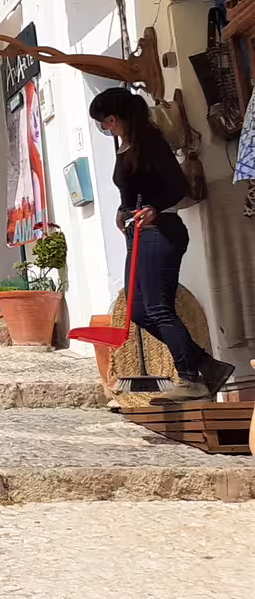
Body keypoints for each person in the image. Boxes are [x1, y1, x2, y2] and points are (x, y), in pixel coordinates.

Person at [90, 87, 235, 401]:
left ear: (113, 118)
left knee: (158, 308)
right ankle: (207, 366)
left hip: (161, 230)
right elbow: (132, 186)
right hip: (137, 234)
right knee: (139, 309)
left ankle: (190, 378)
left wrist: (153, 208)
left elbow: (177, 186)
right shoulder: (126, 145)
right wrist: (122, 209)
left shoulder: (151, 142)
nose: (105, 129)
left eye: (105, 123)